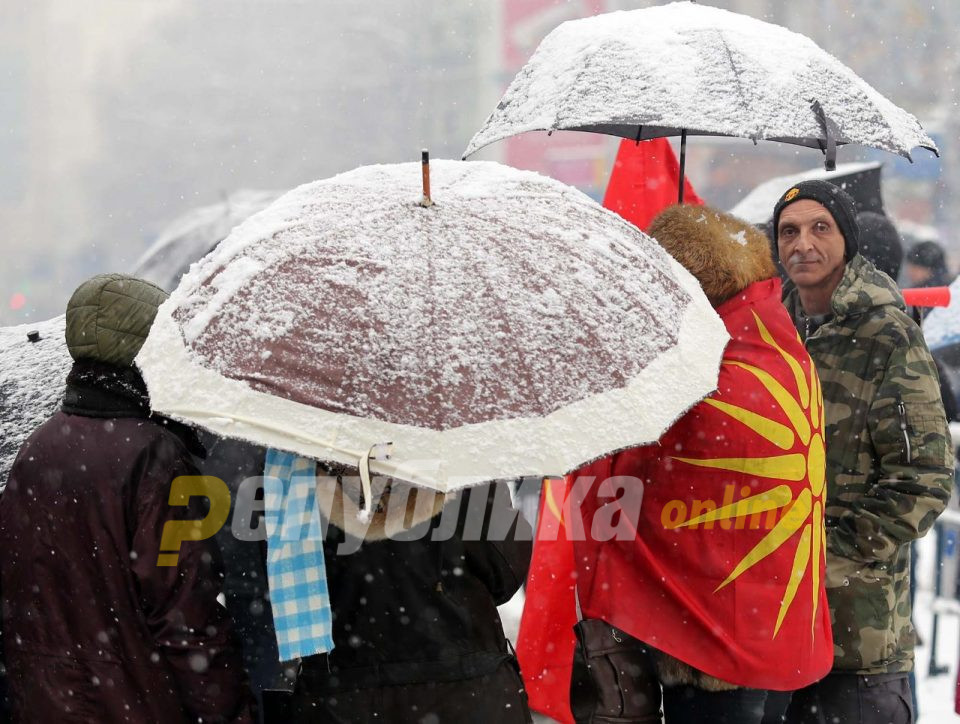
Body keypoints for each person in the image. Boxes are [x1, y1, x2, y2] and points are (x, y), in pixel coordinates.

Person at [571, 205, 832, 724]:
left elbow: (615, 474)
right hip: (775, 625)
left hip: (708, 638)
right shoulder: (781, 348)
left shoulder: (699, 374)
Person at [0, 273, 254, 723]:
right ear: (149, 351)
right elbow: (188, 618)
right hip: (138, 706)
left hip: (45, 704)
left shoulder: (37, 448)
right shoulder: (155, 454)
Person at [772, 181, 954, 724]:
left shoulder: (888, 334)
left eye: (819, 228)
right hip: (769, 633)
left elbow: (922, 481)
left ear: (847, 241)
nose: (803, 243)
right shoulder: (769, 332)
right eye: (789, 231)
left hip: (858, 639)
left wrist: (825, 557)